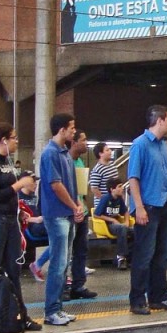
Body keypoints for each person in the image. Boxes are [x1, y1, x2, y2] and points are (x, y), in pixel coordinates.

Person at [0, 123, 42, 333]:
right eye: (13, 137)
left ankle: (20, 315)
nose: (16, 141)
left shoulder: (8, 162)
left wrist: (19, 211)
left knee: (14, 270)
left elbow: (9, 194)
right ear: (3, 140)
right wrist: (19, 185)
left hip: (11, 220)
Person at [126, 104, 167, 315]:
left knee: (162, 254)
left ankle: (159, 297)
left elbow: (165, 175)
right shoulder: (139, 144)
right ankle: (137, 300)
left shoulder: (163, 145)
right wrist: (138, 207)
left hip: (163, 205)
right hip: (147, 207)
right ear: (159, 121)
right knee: (144, 255)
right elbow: (133, 178)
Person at [38, 113, 83, 326]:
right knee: (57, 264)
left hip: (68, 214)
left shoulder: (66, 153)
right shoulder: (50, 154)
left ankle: (58, 308)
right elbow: (56, 185)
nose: (74, 131)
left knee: (64, 263)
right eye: (71, 127)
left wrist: (78, 205)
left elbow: (72, 185)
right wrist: (73, 206)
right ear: (62, 129)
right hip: (56, 215)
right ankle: (51, 311)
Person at [65, 129, 96, 301]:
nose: (86, 143)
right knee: (65, 252)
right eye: (83, 140)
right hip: (70, 212)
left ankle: (78, 285)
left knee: (81, 250)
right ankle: (63, 286)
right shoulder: (66, 160)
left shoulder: (79, 161)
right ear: (74, 142)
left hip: (81, 210)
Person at [94, 177, 133, 269]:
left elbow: (125, 212)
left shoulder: (119, 199)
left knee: (136, 232)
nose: (122, 188)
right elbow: (96, 214)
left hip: (118, 225)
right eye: (119, 186)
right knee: (122, 229)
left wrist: (127, 221)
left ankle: (130, 257)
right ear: (112, 189)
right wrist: (112, 220)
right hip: (107, 225)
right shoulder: (105, 198)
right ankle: (121, 258)